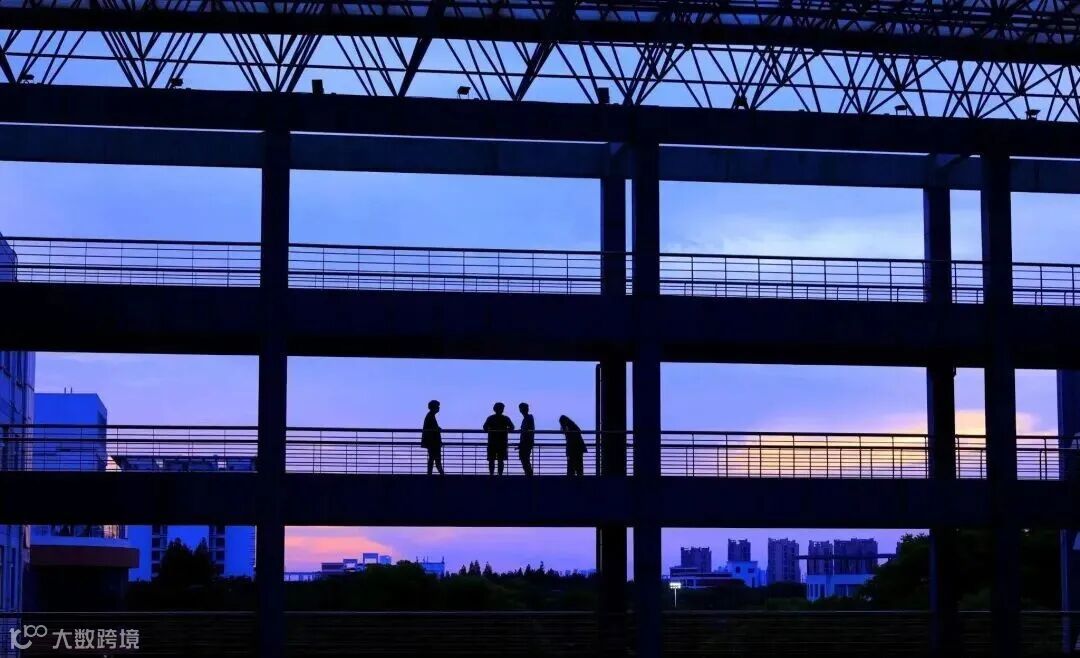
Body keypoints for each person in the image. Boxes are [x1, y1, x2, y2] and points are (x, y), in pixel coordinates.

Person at [483, 402, 514, 475]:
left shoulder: (491, 418)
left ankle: (491, 475)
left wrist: (491, 430)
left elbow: (485, 428)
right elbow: (512, 428)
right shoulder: (505, 418)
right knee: (500, 460)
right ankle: (499, 475)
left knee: (492, 460)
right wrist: (505, 430)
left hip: (492, 442)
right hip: (502, 442)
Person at [421, 400, 444, 475]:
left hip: (432, 443)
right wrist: (437, 429)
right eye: (437, 406)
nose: (439, 408)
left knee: (433, 458)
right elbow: (432, 429)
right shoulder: (430, 416)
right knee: (436, 459)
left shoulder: (430, 416)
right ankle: (441, 475)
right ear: (434, 407)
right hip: (433, 443)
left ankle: (431, 474)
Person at [517, 402, 535, 476]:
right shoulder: (528, 418)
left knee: (524, 458)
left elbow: (527, 431)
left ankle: (529, 474)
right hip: (527, 441)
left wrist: (522, 442)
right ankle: (528, 474)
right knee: (525, 458)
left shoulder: (527, 418)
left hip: (526, 442)